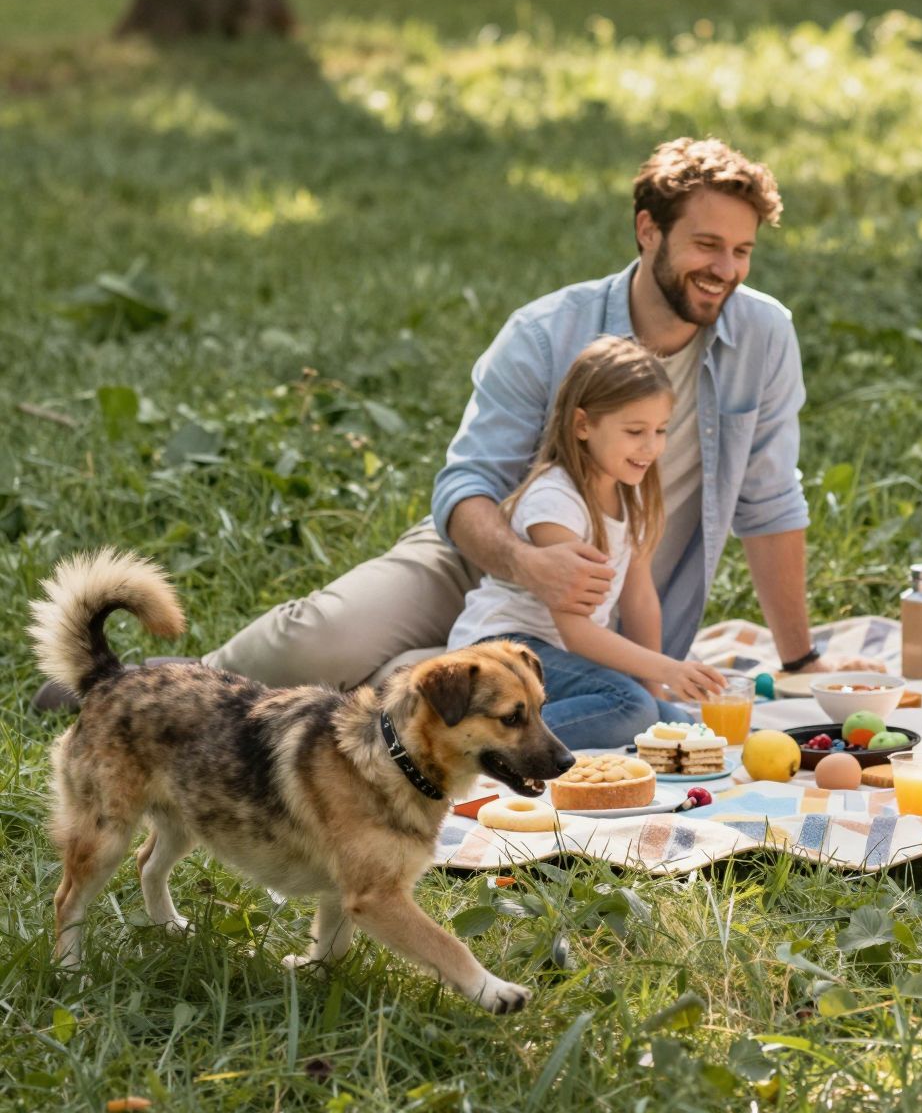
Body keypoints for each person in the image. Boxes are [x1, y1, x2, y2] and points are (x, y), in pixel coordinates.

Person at [197, 137, 821, 695]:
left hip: (598, 609)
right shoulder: (547, 333)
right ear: (648, 231)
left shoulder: (763, 335)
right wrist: (525, 564)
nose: (725, 270)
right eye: (706, 245)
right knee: (318, 642)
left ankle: (410, 680)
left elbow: (769, 507)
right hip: (478, 556)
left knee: (488, 696)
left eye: (742, 251)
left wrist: (801, 659)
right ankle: (153, 696)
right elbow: (467, 486)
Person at [447, 335, 724, 748]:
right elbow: (576, 632)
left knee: (683, 729)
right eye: (635, 431)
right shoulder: (555, 502)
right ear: (583, 425)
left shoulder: (631, 494)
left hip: (557, 661)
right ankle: (477, 745)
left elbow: (640, 599)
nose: (651, 447)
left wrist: (653, 686)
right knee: (629, 709)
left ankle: (525, 738)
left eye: (661, 430)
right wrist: (667, 670)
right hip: (502, 651)